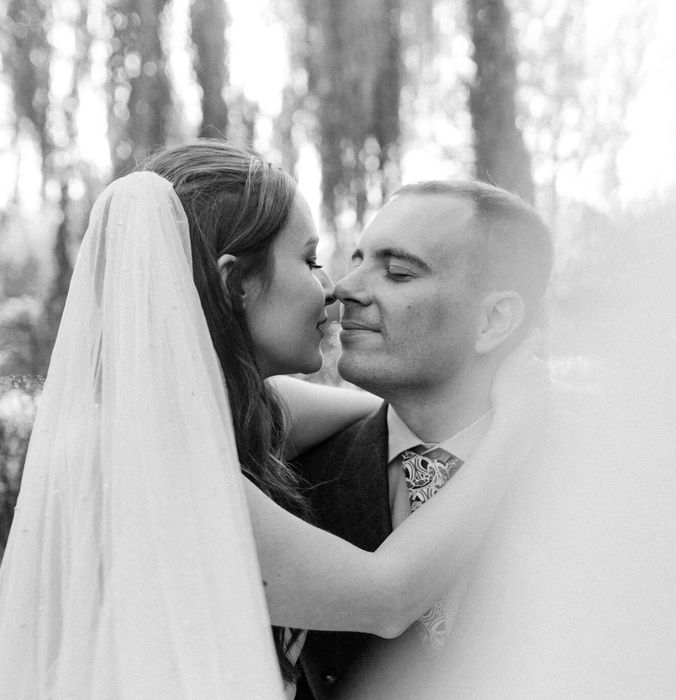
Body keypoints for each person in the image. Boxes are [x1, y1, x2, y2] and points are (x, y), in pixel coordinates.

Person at [0, 141, 547, 698]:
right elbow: (388, 597)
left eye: (397, 272)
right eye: (311, 260)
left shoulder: (192, 414)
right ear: (236, 284)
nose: (336, 288)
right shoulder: (147, 462)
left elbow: (356, 412)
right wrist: (511, 431)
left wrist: (448, 419)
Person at [293, 179, 554, 698]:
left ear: (494, 320)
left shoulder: (618, 478)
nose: (345, 287)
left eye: (397, 272)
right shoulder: (297, 477)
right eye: (357, 259)